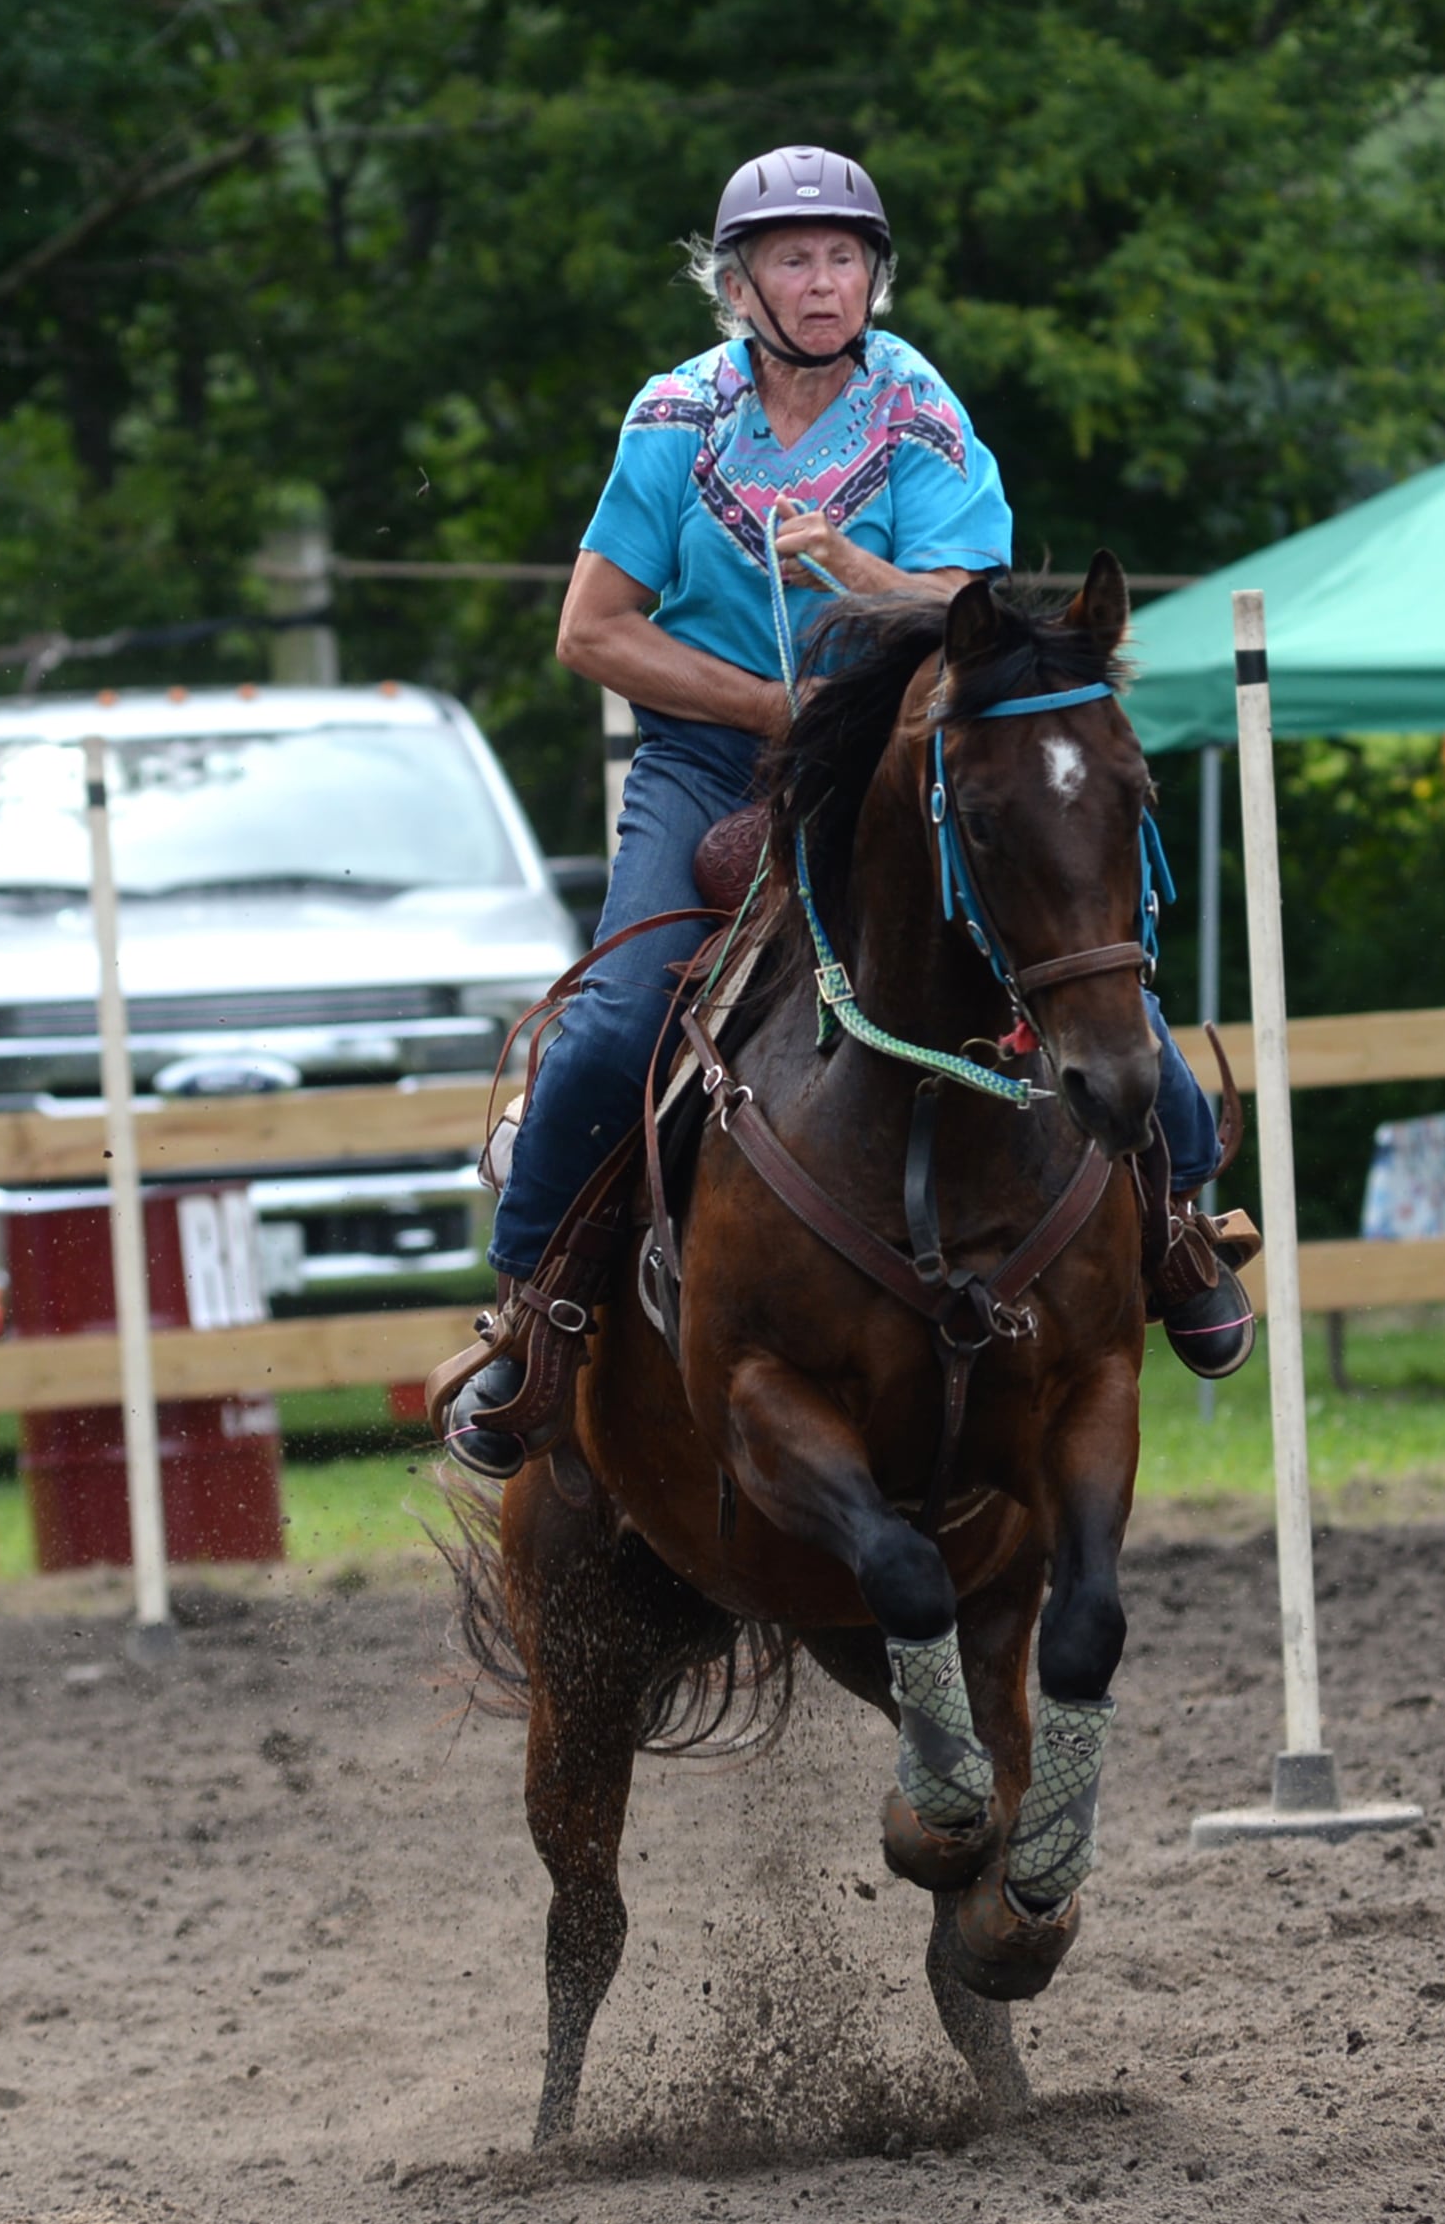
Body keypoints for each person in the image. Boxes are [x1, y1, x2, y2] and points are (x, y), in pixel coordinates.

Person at [436, 146, 1254, 1481]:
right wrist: (776, 716)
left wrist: (861, 579)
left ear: (875, 274)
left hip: (898, 760)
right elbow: (593, 632)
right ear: (738, 281)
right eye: (792, 258)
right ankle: (536, 1313)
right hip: (709, 761)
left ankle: (1173, 1226)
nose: (822, 282)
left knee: (1092, 982)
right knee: (616, 1021)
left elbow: (977, 620)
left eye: (843, 257)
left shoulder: (921, 407)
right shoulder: (672, 418)